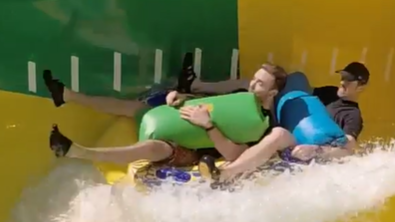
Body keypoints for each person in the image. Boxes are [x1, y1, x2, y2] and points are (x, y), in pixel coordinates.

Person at [47, 62, 289, 168]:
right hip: (184, 124)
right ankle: (68, 96)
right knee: (137, 109)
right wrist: (181, 99)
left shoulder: (263, 127)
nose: (252, 86)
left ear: (272, 92)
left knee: (155, 148)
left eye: (259, 84)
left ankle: (80, 153)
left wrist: (208, 126)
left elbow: (237, 155)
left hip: (198, 153)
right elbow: (206, 105)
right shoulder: (239, 95)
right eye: (254, 80)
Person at [198, 61, 370, 184]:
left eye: (348, 81)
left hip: (306, 148)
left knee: (279, 134)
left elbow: (348, 149)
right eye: (342, 77)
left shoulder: (352, 115)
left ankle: (225, 174)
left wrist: (316, 150)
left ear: (361, 87)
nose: (342, 82)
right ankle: (194, 86)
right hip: (289, 131)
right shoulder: (329, 93)